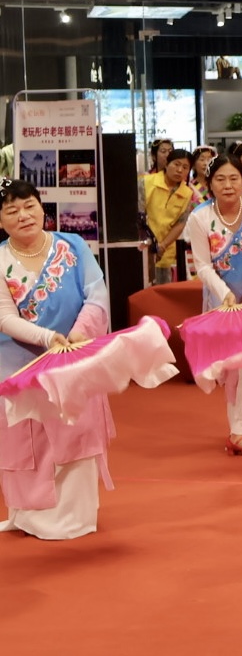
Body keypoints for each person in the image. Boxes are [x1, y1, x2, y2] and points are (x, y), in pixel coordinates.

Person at [0, 179, 113, 539]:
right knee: (26, 440)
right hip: (18, 364)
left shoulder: (73, 245)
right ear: (0, 221)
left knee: (75, 430)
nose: (23, 215)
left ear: (42, 208)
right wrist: (48, 338)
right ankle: (30, 516)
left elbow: (97, 295)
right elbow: (4, 317)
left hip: (73, 358)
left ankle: (74, 516)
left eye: (29, 206)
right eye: (12, 210)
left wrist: (79, 333)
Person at [183, 153, 242, 457]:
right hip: (222, 302)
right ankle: (239, 430)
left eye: (234, 178)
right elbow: (202, 265)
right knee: (238, 365)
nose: (228, 185)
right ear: (209, 183)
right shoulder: (200, 217)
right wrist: (225, 293)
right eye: (220, 179)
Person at [143, 148, 194, 284]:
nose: (180, 170)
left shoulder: (187, 193)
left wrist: (163, 246)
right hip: (144, 248)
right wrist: (150, 243)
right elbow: (138, 214)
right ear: (167, 164)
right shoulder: (146, 182)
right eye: (176, 164)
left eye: (185, 167)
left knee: (164, 290)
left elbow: (180, 223)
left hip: (167, 253)